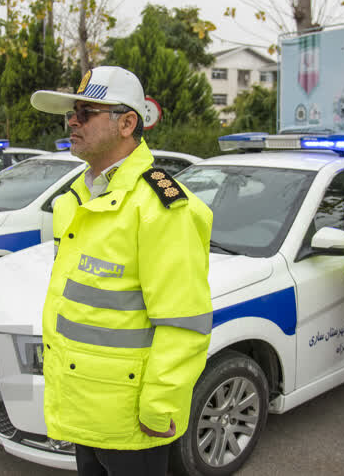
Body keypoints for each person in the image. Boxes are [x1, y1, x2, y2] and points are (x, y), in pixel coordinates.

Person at [30, 66, 213, 475]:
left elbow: (184, 323)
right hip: (84, 406)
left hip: (132, 419)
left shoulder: (160, 206)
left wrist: (161, 404)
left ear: (128, 123)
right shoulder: (79, 196)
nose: (72, 122)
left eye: (86, 112)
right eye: (71, 113)